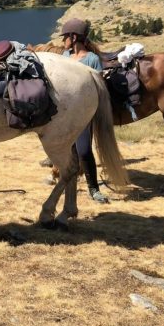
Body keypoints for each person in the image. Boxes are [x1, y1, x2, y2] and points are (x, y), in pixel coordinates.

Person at [60, 18, 109, 204]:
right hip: (64, 114)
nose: (63, 40)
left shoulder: (92, 59)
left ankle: (93, 189)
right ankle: (67, 184)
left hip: (82, 113)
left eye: (65, 36)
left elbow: (99, 87)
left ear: (74, 37)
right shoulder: (64, 57)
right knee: (67, 151)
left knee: (84, 150)